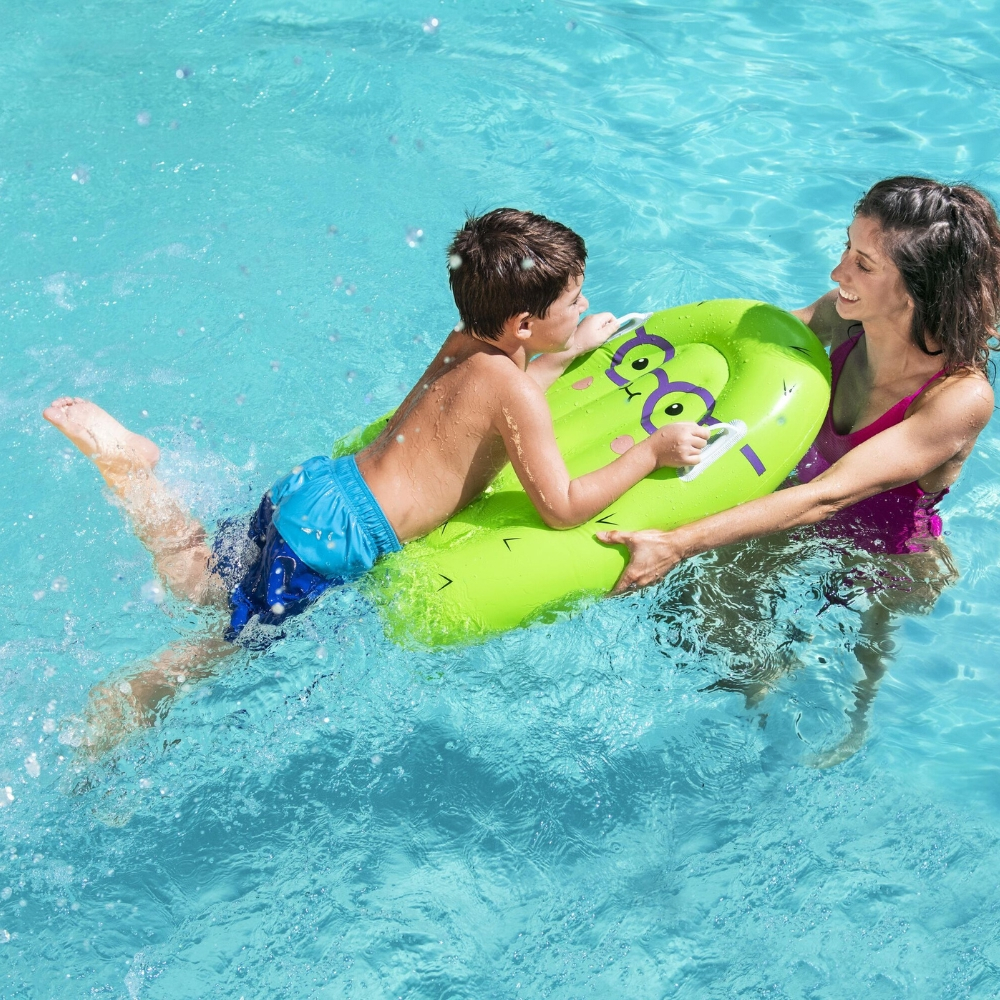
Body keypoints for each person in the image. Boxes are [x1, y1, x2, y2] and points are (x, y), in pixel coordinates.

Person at [45, 208, 710, 757]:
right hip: (337, 539)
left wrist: (568, 350)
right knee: (227, 642)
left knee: (203, 574)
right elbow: (562, 506)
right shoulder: (517, 394)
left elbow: (488, 400)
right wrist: (650, 452)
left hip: (316, 489)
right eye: (574, 300)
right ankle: (131, 698)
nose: (585, 305)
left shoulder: (464, 341)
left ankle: (133, 471)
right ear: (526, 324)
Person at [598, 176, 1000, 764]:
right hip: (800, 510)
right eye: (846, 249)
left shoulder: (958, 397)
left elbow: (830, 497)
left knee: (856, 686)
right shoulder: (845, 318)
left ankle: (848, 736)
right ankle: (768, 685)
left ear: (919, 289)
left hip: (882, 551)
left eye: (863, 263)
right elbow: (742, 344)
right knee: (704, 613)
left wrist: (678, 542)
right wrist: (621, 346)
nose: (838, 272)